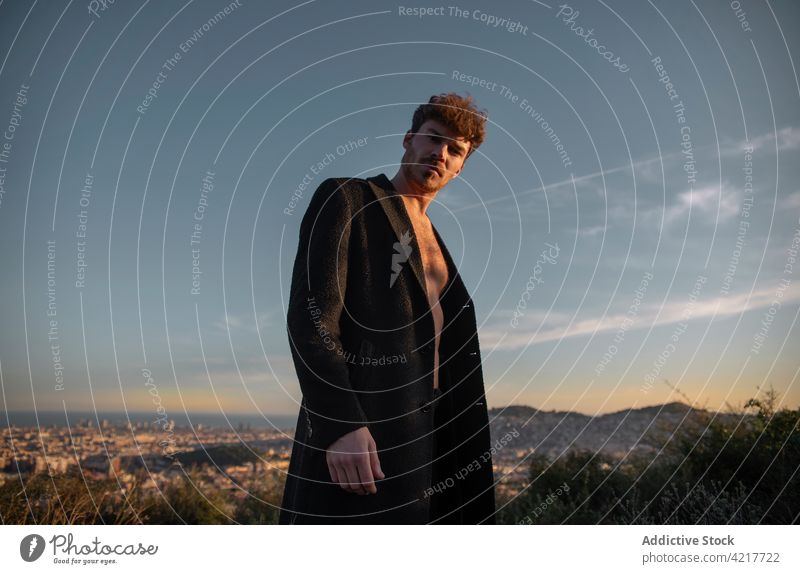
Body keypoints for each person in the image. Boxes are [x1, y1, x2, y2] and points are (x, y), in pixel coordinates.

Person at [279, 93, 495, 524]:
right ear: (409, 140)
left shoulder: (439, 247)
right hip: (364, 435)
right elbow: (312, 319)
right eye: (434, 139)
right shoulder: (348, 199)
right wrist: (340, 425)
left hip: (437, 437)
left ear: (461, 167)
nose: (441, 153)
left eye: (456, 150)